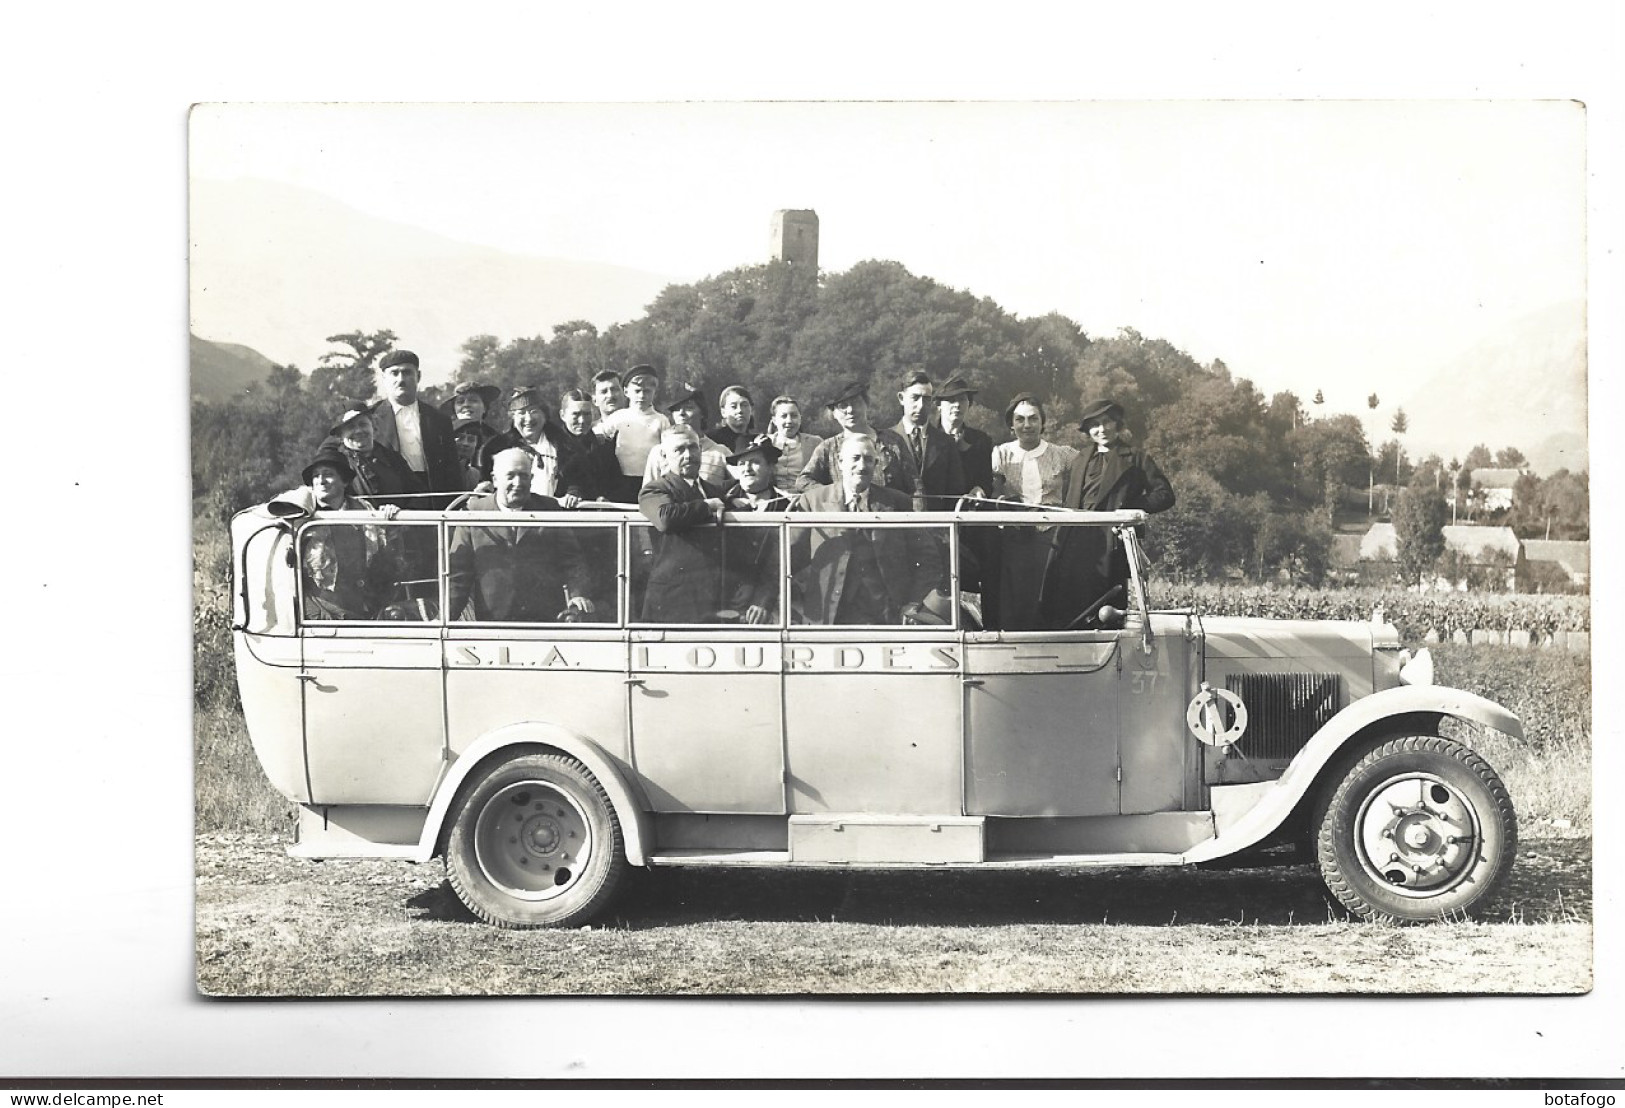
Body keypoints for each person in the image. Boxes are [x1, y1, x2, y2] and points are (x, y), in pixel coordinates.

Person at [1042, 399, 1175, 627]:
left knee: (1107, 612)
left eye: (1107, 422)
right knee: (1069, 608)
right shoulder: (1080, 459)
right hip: (1074, 542)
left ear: (1117, 424)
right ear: (1088, 430)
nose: (1102, 429)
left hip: (1110, 542)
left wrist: (1133, 509)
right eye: (1095, 424)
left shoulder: (1135, 457)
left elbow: (1165, 494)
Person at [790, 436, 942, 626]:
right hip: (827, 616)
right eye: (855, 458)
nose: (862, 466)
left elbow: (929, 559)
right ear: (840, 462)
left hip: (886, 616)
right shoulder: (813, 501)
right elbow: (786, 559)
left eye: (868, 459)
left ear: (876, 464)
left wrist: (913, 603)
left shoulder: (897, 502)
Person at [446, 448, 596, 623]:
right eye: (510, 476)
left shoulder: (549, 509)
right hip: (492, 624)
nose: (518, 483)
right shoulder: (474, 513)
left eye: (524, 476)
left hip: (545, 620)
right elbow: (458, 575)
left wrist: (577, 596)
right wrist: (443, 619)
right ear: (495, 479)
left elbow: (573, 561)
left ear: (531, 479)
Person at [988, 393, 1079, 630]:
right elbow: (992, 491)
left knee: (1050, 598)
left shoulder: (1062, 454)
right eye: (1020, 419)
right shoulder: (1001, 454)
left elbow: (1089, 473)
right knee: (1016, 600)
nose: (1027, 425)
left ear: (1042, 422)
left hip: (1052, 537)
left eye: (1033, 419)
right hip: (1015, 538)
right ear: (1012, 424)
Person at [282, 446, 400, 620]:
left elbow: (387, 550)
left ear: (344, 481)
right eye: (316, 476)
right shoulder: (303, 513)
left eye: (328, 474)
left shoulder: (364, 509)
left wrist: (390, 514)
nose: (321, 481)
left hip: (363, 605)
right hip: (320, 607)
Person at [637, 427, 729, 624]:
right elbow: (665, 519)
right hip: (672, 601)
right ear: (664, 455)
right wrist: (706, 506)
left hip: (714, 598)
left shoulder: (714, 491)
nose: (688, 455)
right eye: (679, 450)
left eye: (693, 448)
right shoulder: (655, 489)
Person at [794, 380, 918, 498]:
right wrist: (834, 495)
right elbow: (803, 481)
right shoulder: (828, 448)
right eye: (843, 406)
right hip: (847, 517)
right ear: (834, 413)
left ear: (866, 405)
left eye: (856, 403)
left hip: (890, 515)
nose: (850, 410)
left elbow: (916, 486)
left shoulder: (893, 442)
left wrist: (916, 517)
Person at [367, 349, 462, 493]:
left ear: (418, 376)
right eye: (394, 373)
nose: (401, 379)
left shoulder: (439, 419)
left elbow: (452, 467)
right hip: (389, 497)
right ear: (383, 378)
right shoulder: (370, 418)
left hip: (431, 495)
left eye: (407, 372)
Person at [721, 435, 792, 624]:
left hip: (767, 604)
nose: (747, 468)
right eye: (742, 463)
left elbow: (783, 562)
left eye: (755, 462)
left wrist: (764, 601)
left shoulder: (786, 506)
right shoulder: (721, 500)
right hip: (722, 600)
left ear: (770, 467)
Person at [877, 369, 967, 510]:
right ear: (901, 398)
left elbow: (956, 491)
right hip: (897, 524)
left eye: (926, 399)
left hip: (936, 526)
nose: (921, 405)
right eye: (915, 398)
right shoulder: (884, 440)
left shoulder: (946, 442)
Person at [476, 387, 572, 496]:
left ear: (544, 415)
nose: (529, 419)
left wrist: (573, 492)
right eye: (521, 413)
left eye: (533, 411)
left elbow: (577, 480)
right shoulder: (495, 448)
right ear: (512, 418)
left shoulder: (565, 446)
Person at [598, 365, 672, 502]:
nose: (642, 396)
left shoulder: (661, 420)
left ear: (655, 393)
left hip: (650, 480)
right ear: (626, 391)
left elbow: (667, 454)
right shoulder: (618, 417)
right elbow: (599, 440)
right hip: (620, 480)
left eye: (647, 391)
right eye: (637, 391)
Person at [322, 405, 420, 503]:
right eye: (350, 427)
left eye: (363, 424)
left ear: (373, 426)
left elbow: (418, 494)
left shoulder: (393, 459)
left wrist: (398, 512)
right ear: (340, 435)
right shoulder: (336, 465)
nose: (358, 431)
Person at [642, 383, 730, 487]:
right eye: (676, 409)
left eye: (689, 408)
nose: (681, 413)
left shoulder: (720, 453)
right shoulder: (659, 451)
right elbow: (648, 494)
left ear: (702, 413)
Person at [555, 387, 621, 505]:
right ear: (562, 415)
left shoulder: (602, 447)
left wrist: (605, 498)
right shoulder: (553, 447)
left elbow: (615, 482)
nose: (582, 420)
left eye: (587, 414)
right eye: (576, 414)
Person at [935, 376, 994, 500]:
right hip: (935, 512)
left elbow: (986, 481)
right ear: (939, 405)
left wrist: (980, 489)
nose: (957, 405)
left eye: (962, 400)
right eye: (951, 400)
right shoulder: (928, 439)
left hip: (969, 512)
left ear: (969, 404)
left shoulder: (981, 442)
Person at [441, 382, 502, 490]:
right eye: (460, 402)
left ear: (485, 408)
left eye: (473, 400)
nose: (466, 405)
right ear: (454, 409)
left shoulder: (497, 440)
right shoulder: (442, 437)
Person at [766, 394, 822, 482]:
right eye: (784, 416)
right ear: (774, 420)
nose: (789, 421)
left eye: (794, 416)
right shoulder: (765, 442)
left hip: (805, 494)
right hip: (772, 494)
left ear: (800, 418)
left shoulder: (815, 443)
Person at [707, 384, 757, 454]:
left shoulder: (757, 441)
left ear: (751, 410)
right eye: (733, 406)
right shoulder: (711, 441)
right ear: (723, 412)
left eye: (744, 405)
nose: (740, 410)